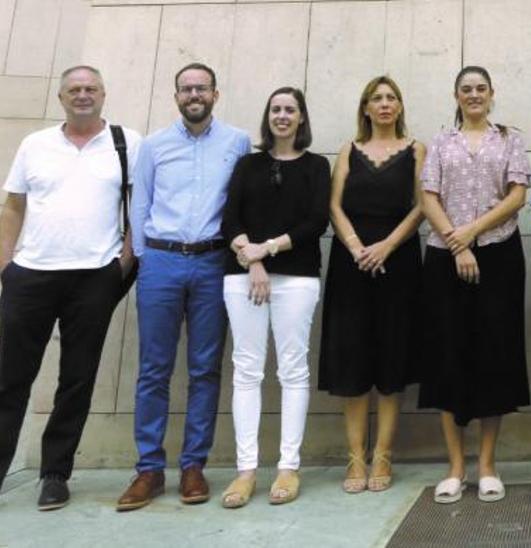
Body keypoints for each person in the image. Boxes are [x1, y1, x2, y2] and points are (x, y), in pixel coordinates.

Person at [0, 65, 140, 511]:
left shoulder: (126, 142)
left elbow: (142, 204)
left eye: (91, 89)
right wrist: (6, 265)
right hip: (31, 275)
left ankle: (55, 474)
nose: (83, 95)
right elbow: (13, 207)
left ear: (104, 94)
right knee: (9, 378)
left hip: (95, 276)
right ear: (61, 97)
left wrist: (126, 259)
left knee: (77, 380)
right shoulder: (35, 144)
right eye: (74, 90)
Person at [118, 63, 251, 511]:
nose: (194, 94)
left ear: (215, 93)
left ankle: (194, 465)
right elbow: (140, 203)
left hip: (213, 262)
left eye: (201, 88)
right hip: (162, 262)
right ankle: (149, 469)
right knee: (154, 368)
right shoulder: (154, 145)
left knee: (204, 368)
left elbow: (241, 202)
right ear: (177, 96)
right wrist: (144, 256)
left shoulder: (237, 142)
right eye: (186, 89)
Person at [419, 66, 531, 504]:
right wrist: (456, 240)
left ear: (492, 93)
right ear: (456, 94)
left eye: (481, 89)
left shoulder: (510, 139)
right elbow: (428, 196)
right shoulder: (442, 142)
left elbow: (517, 194)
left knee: (493, 356)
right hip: (445, 259)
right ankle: (455, 467)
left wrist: (473, 233)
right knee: (448, 355)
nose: (474, 95)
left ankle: (487, 465)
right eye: (466, 89)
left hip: (499, 255)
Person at [218, 87, 329, 508]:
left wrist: (268, 249)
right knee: (246, 369)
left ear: (301, 118)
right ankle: (246, 471)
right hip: (244, 276)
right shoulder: (247, 164)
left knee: (293, 370)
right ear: (268, 117)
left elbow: (316, 221)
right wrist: (254, 260)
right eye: (276, 109)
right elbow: (230, 218)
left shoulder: (317, 166)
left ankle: (287, 466)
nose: (282, 116)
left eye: (290, 110)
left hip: (297, 279)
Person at [319, 75, 425, 494]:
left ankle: (383, 454)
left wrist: (386, 246)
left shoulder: (417, 150)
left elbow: (422, 206)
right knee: (353, 356)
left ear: (399, 107)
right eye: (376, 98)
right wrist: (356, 246)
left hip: (398, 261)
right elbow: (333, 204)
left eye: (391, 98)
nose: (384, 104)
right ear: (365, 108)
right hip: (352, 261)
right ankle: (354, 457)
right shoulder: (349, 150)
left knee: (391, 355)